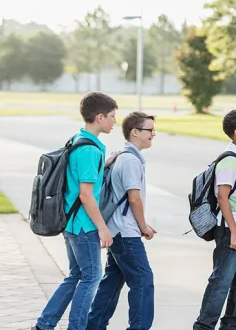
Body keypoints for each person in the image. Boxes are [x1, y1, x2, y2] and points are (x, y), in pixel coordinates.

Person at [33, 92, 118, 330]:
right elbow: (86, 194)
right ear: (100, 117)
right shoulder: (90, 151)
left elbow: (80, 178)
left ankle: (44, 325)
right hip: (84, 225)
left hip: (69, 222)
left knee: (75, 276)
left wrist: (105, 164)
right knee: (90, 277)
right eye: (112, 116)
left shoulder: (78, 139)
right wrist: (103, 228)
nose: (114, 121)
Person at [86, 111, 158, 330]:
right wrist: (143, 226)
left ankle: (93, 326)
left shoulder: (125, 157)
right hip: (125, 233)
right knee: (143, 282)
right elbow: (134, 199)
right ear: (134, 132)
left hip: (117, 230)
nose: (153, 134)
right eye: (149, 130)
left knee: (112, 282)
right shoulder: (129, 161)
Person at [194, 109, 236, 330]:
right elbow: (223, 198)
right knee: (221, 282)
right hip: (230, 230)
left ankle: (231, 326)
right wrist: (234, 231)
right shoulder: (230, 160)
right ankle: (204, 326)